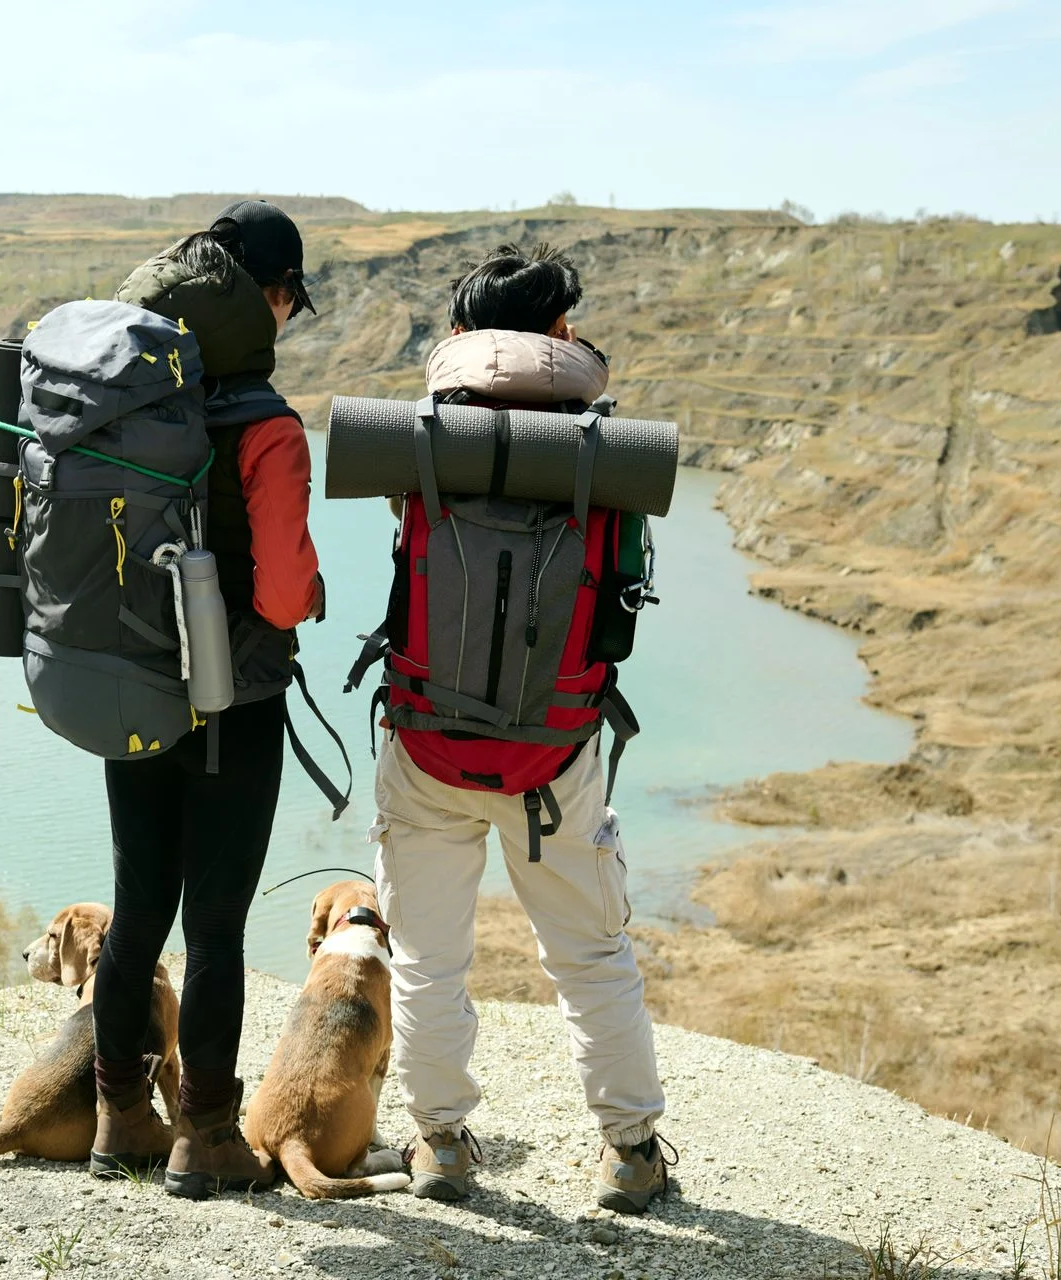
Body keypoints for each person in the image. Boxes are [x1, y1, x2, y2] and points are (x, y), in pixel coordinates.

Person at [371, 243, 675, 1213]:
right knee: (590, 952)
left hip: (425, 739)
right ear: (564, 333)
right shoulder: (608, 452)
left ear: (460, 335)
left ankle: (440, 1143)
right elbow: (619, 610)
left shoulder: (422, 439)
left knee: (426, 955)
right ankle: (629, 1148)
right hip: (553, 750)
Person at [85, 201, 325, 1201]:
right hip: (235, 707)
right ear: (267, 300)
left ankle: (119, 1117)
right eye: (288, 301)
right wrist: (306, 591)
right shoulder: (267, 428)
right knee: (215, 924)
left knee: (139, 904)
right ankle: (206, 1138)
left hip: (128, 684)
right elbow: (277, 594)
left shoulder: (127, 407)